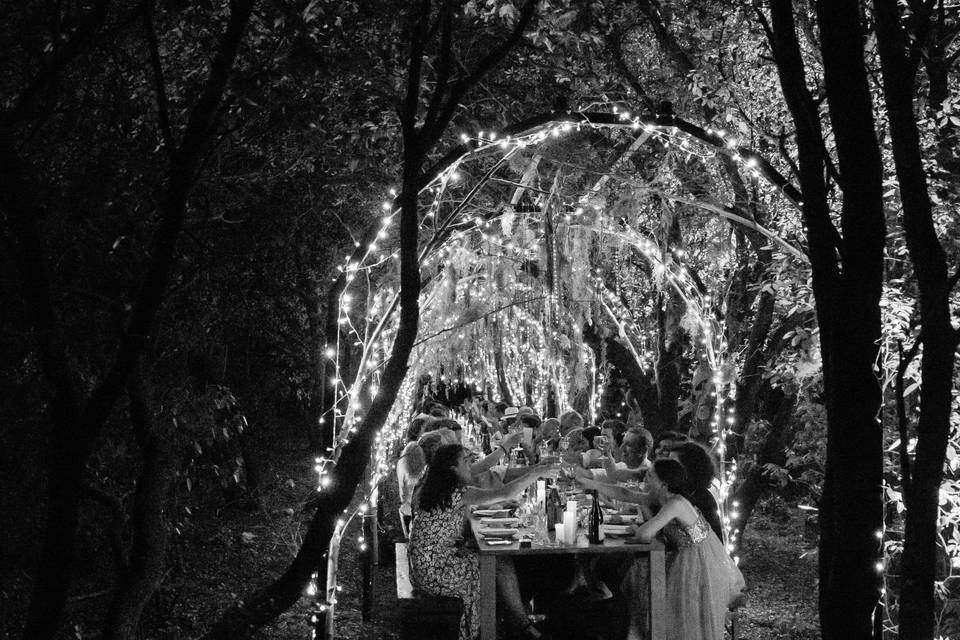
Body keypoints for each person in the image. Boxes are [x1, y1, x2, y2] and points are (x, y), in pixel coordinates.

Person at [408, 444, 559, 640]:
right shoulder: (458, 493)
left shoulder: (437, 490)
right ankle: (514, 625)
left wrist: (499, 504)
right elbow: (505, 492)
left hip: (424, 566)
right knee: (497, 565)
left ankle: (513, 621)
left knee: (497, 562)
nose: (470, 465)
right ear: (452, 468)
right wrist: (537, 471)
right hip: (437, 571)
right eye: (466, 461)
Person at [628, 458, 745, 640]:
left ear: (663, 483)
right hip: (685, 557)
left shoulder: (676, 503)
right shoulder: (666, 499)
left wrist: (638, 527)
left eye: (650, 475)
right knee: (637, 573)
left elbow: (644, 535)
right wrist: (590, 483)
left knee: (640, 575)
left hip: (697, 564)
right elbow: (625, 495)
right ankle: (641, 630)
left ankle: (647, 631)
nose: (645, 478)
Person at [666, 442, 724, 541]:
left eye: (674, 464)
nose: (668, 468)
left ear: (690, 468)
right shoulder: (679, 491)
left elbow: (699, 539)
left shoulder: (702, 499)